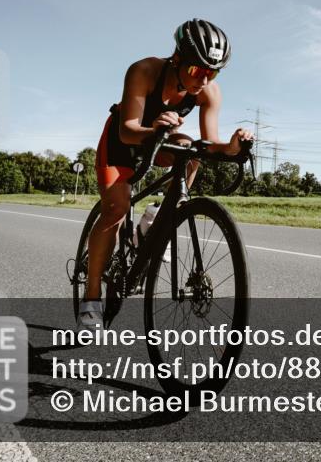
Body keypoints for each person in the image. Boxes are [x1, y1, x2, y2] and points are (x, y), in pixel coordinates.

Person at [78, 19, 253, 332]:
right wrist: (155, 127)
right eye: (196, 70)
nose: (203, 79)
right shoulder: (144, 71)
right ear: (177, 58)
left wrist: (231, 146)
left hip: (161, 141)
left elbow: (209, 143)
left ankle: (161, 214)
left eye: (211, 72)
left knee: (190, 147)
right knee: (116, 209)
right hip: (123, 142)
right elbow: (128, 130)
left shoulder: (208, 91)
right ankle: (92, 298)